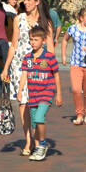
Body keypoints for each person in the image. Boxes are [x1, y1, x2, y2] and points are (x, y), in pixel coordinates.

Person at [2, 0, 54, 143]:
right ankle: (28, 139)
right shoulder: (19, 19)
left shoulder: (45, 22)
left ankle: (38, 137)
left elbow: (50, 49)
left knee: (36, 102)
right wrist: (6, 67)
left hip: (38, 66)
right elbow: (13, 45)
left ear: (37, 2)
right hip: (20, 64)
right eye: (24, 0)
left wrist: (50, 69)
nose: (25, 3)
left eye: (29, 0)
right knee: (23, 102)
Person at [20, 23, 61, 161]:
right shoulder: (27, 58)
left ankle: (42, 145)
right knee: (34, 125)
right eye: (31, 39)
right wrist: (20, 91)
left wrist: (59, 94)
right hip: (33, 94)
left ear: (43, 41)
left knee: (39, 118)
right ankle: (38, 148)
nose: (33, 42)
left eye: (36, 39)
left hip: (46, 92)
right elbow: (24, 75)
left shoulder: (49, 57)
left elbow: (56, 75)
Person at [61, 5, 86, 124]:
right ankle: (79, 114)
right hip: (75, 63)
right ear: (81, 18)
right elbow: (64, 40)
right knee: (76, 90)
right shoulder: (72, 28)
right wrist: (63, 55)